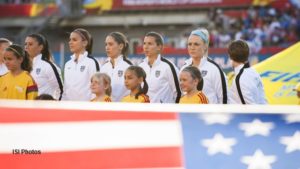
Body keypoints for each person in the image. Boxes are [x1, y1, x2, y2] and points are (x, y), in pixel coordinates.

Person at [181, 28, 229, 104]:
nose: (192, 47)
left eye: (196, 44)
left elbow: (224, 99)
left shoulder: (214, 69)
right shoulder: (184, 68)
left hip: (208, 115)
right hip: (188, 114)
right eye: (189, 44)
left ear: (205, 46)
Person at [139, 31, 181, 103]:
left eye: (150, 44)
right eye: (144, 43)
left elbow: (179, 93)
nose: (146, 47)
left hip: (164, 112)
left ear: (159, 47)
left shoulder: (168, 66)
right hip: (145, 112)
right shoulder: (141, 67)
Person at [62, 28, 100, 101]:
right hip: (69, 108)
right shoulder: (68, 64)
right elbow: (65, 89)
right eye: (70, 39)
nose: (70, 42)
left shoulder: (92, 62)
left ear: (84, 43)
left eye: (74, 40)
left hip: (86, 109)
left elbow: (97, 89)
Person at [25, 33, 63, 100]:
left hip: (43, 108)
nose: (26, 47)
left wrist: (55, 106)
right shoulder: (23, 66)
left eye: (30, 44)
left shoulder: (48, 66)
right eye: (25, 44)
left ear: (40, 47)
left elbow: (61, 90)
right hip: (26, 108)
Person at [228, 39, 267, 104]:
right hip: (263, 111)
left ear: (230, 56)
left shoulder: (240, 79)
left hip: (250, 113)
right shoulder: (253, 72)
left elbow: (249, 109)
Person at [100, 32, 132, 102]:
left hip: (123, 109)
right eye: (106, 44)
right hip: (106, 109)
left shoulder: (128, 67)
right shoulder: (103, 67)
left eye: (110, 44)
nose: (107, 47)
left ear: (120, 46)